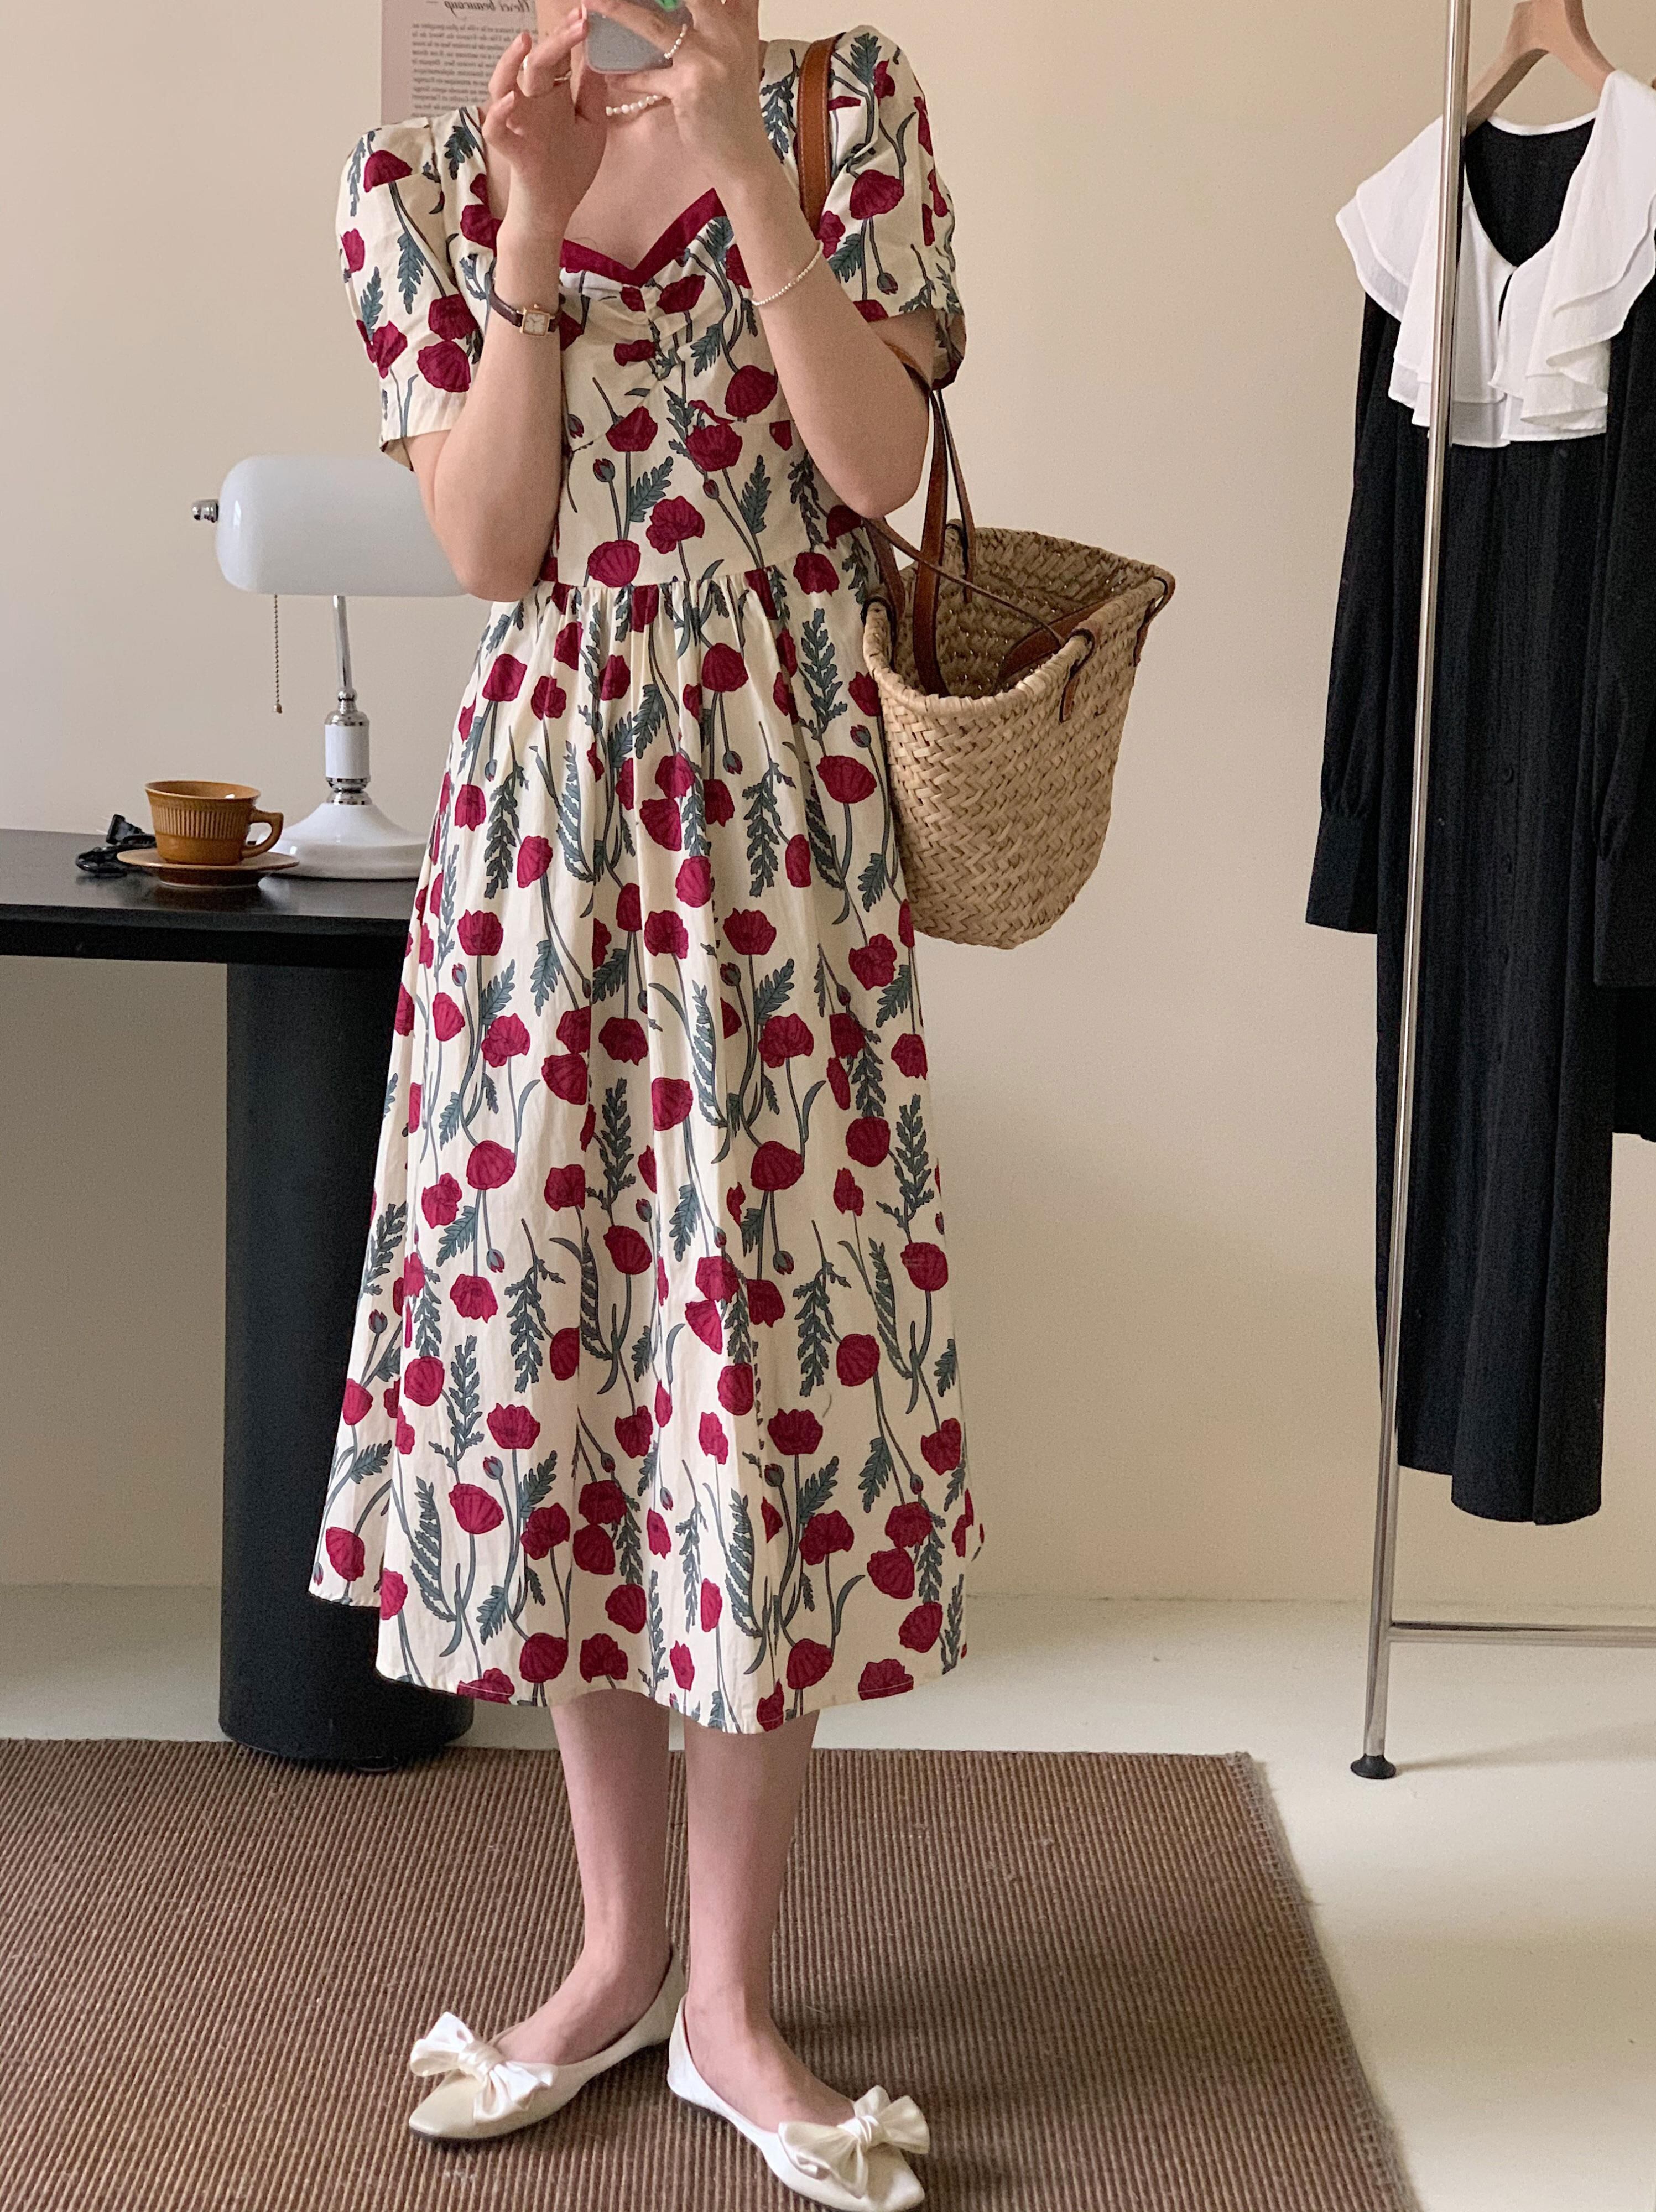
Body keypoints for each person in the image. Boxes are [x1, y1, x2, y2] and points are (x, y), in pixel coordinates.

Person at [308, 1, 982, 2201]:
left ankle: (730, 2002)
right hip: (544, 842)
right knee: (566, 1381)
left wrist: (753, 172)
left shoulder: (846, 106)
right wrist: (525, 227)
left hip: (781, 826)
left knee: (759, 1381)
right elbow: (490, 545)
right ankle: (612, 1959)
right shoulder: (419, 180)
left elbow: (875, 474)